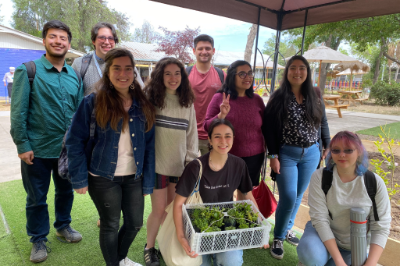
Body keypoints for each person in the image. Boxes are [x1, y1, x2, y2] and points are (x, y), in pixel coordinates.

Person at [66, 47, 155, 266]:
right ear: (108, 72)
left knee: (134, 223)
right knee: (110, 224)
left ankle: (119, 259)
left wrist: (148, 182)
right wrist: (79, 178)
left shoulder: (143, 105)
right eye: (117, 68)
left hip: (134, 176)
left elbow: (150, 146)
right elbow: (74, 140)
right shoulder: (93, 102)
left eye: (128, 69)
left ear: (134, 72)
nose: (123, 74)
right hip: (102, 176)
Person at [10, 20, 84, 263]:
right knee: (36, 197)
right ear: (44, 41)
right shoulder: (28, 70)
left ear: (69, 44)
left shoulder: (74, 74)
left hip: (66, 150)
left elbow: (79, 112)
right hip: (38, 149)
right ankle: (38, 238)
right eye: (53, 37)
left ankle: (63, 226)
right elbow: (19, 112)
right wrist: (23, 145)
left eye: (63, 38)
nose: (58, 41)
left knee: (65, 192)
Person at [297, 131, 391, 266]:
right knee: (312, 256)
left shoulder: (374, 182)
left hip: (354, 244)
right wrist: (339, 261)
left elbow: (381, 227)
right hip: (321, 236)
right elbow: (320, 219)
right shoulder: (320, 177)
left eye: (348, 150)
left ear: (359, 152)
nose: (342, 154)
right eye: (336, 150)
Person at [174, 118, 260, 266]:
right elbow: (178, 204)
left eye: (228, 136)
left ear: (233, 138)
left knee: (231, 262)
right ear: (210, 140)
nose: (223, 141)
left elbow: (248, 196)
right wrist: (181, 236)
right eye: (217, 136)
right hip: (197, 227)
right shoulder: (195, 167)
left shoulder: (239, 164)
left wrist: (258, 226)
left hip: (226, 226)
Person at [262, 55, 323, 259]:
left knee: (297, 195)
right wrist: (273, 156)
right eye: (293, 68)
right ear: (287, 72)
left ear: (307, 72)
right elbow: (268, 129)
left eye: (302, 68)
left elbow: (322, 122)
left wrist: (326, 145)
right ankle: (278, 236)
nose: (297, 72)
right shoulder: (278, 97)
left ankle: (288, 228)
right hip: (287, 153)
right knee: (287, 195)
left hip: (312, 153)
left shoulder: (314, 95)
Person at [143, 57, 198, 266]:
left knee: (171, 209)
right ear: (160, 76)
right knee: (158, 210)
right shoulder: (151, 98)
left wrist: (190, 164)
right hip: (157, 166)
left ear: (183, 77)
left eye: (177, 74)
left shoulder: (188, 102)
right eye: (168, 73)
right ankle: (149, 247)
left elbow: (192, 135)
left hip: (180, 167)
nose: (173, 78)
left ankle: (165, 245)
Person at [204, 60, 265, 186]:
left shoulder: (257, 100)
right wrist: (222, 115)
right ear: (232, 76)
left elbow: (266, 128)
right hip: (226, 155)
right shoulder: (220, 98)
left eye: (249, 73)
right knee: (225, 195)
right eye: (242, 74)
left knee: (247, 194)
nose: (247, 77)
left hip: (255, 156)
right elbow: (207, 126)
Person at [72, 22, 144, 95]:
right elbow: (72, 97)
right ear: (93, 41)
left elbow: (141, 92)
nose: (107, 42)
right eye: (102, 38)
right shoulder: (80, 64)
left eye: (111, 38)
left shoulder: (126, 63)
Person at [187, 34, 226, 155]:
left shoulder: (222, 75)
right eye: (200, 48)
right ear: (194, 51)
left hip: (213, 135)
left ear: (213, 51)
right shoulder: (184, 74)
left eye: (208, 48)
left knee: (212, 172)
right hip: (188, 135)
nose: (204, 52)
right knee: (189, 172)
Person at [314, 86, 331, 168]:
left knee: (311, 180)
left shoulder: (315, 93)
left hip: (314, 149)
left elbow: (323, 121)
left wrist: (328, 145)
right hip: (286, 152)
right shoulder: (282, 94)